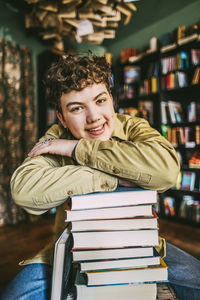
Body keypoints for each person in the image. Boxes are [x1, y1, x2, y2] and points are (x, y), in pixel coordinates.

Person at [0, 53, 199, 300]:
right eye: (77, 108)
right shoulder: (56, 136)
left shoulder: (134, 127)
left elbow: (167, 171)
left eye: (100, 100)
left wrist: (76, 149)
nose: (93, 117)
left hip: (142, 246)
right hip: (71, 252)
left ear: (111, 99)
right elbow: (24, 190)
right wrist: (116, 176)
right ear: (61, 117)